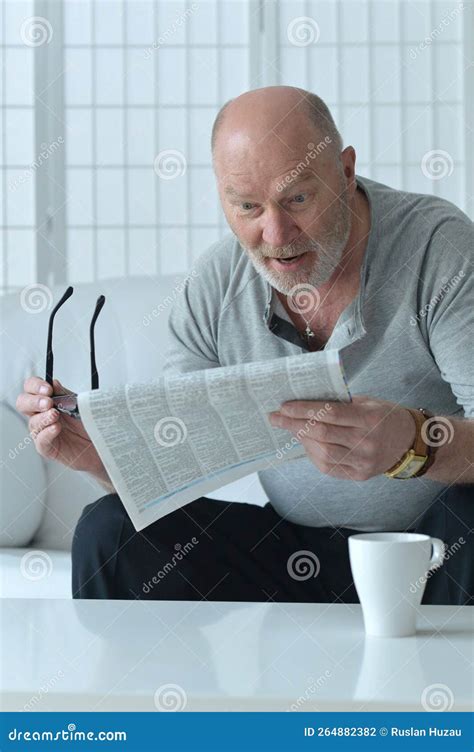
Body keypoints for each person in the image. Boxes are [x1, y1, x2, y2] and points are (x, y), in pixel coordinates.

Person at [16, 86, 473, 605]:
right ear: (222, 198)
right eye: (248, 206)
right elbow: (177, 467)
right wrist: (102, 459)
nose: (276, 234)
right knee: (111, 532)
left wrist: (416, 444)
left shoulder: (441, 251)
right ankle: (153, 690)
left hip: (434, 551)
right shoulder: (215, 285)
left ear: (346, 173)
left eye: (298, 198)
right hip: (290, 550)